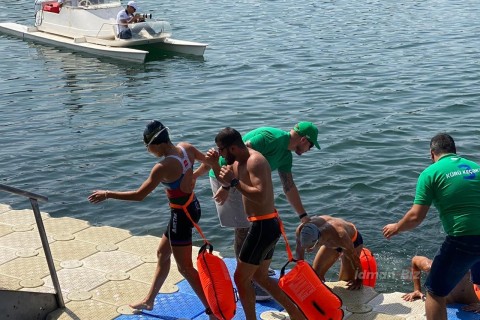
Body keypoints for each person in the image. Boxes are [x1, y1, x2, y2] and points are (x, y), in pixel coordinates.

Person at [88, 120, 215, 319]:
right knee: (162, 253)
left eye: (149, 148)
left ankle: (212, 310)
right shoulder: (186, 148)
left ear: (157, 144)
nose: (149, 152)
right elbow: (208, 162)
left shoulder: (163, 166)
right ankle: (149, 300)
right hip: (193, 206)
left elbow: (140, 195)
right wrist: (195, 176)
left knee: (185, 268)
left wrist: (108, 193)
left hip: (181, 215)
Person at [195, 122, 320, 299]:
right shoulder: (270, 137)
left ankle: (255, 270)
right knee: (243, 227)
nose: (310, 149)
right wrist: (227, 185)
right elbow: (237, 154)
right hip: (225, 173)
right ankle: (248, 280)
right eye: (311, 145)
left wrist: (303, 216)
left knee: (258, 224)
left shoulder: (286, 156)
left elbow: (288, 186)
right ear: (303, 139)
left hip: (239, 181)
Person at [382, 133, 480, 320]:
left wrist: (397, 227)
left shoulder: (431, 173)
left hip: (463, 238)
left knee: (435, 291)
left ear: (432, 153)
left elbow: (416, 216)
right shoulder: (475, 168)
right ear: (454, 151)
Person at [295, 215, 364, 290]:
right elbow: (299, 254)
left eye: (311, 247)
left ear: (319, 240)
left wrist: (359, 280)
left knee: (346, 281)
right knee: (316, 275)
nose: (308, 251)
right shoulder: (302, 229)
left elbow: (356, 261)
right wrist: (300, 272)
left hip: (352, 241)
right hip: (330, 242)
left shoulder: (341, 236)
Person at [402, 255, 479, 312]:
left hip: (472, 299)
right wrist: (417, 289)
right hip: (448, 298)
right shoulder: (433, 267)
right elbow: (415, 260)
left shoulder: (473, 272)